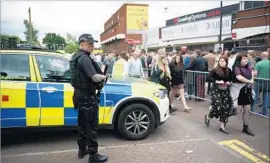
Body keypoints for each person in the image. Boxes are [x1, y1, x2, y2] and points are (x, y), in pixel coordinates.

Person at [69, 34, 108, 163]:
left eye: (92, 44)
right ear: (82, 44)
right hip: (88, 97)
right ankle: (93, 155)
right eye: (90, 44)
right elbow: (94, 78)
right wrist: (104, 76)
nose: (92, 46)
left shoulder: (75, 57)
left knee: (82, 125)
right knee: (91, 126)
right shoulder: (84, 58)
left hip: (79, 95)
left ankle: (82, 150)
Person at [204, 56, 233, 134]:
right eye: (220, 61)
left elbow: (231, 79)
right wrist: (216, 81)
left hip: (225, 91)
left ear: (226, 62)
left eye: (223, 61)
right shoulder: (215, 70)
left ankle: (222, 126)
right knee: (218, 105)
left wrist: (229, 82)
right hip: (216, 90)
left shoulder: (229, 70)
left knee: (225, 108)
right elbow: (208, 78)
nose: (221, 63)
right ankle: (209, 116)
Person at [230, 53, 255, 136]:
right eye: (244, 58)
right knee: (237, 110)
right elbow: (239, 77)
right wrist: (249, 81)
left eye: (246, 58)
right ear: (239, 60)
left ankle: (246, 127)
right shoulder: (236, 67)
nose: (246, 60)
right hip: (238, 89)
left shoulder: (249, 67)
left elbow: (252, 75)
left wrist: (251, 78)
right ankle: (223, 117)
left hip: (246, 90)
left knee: (247, 109)